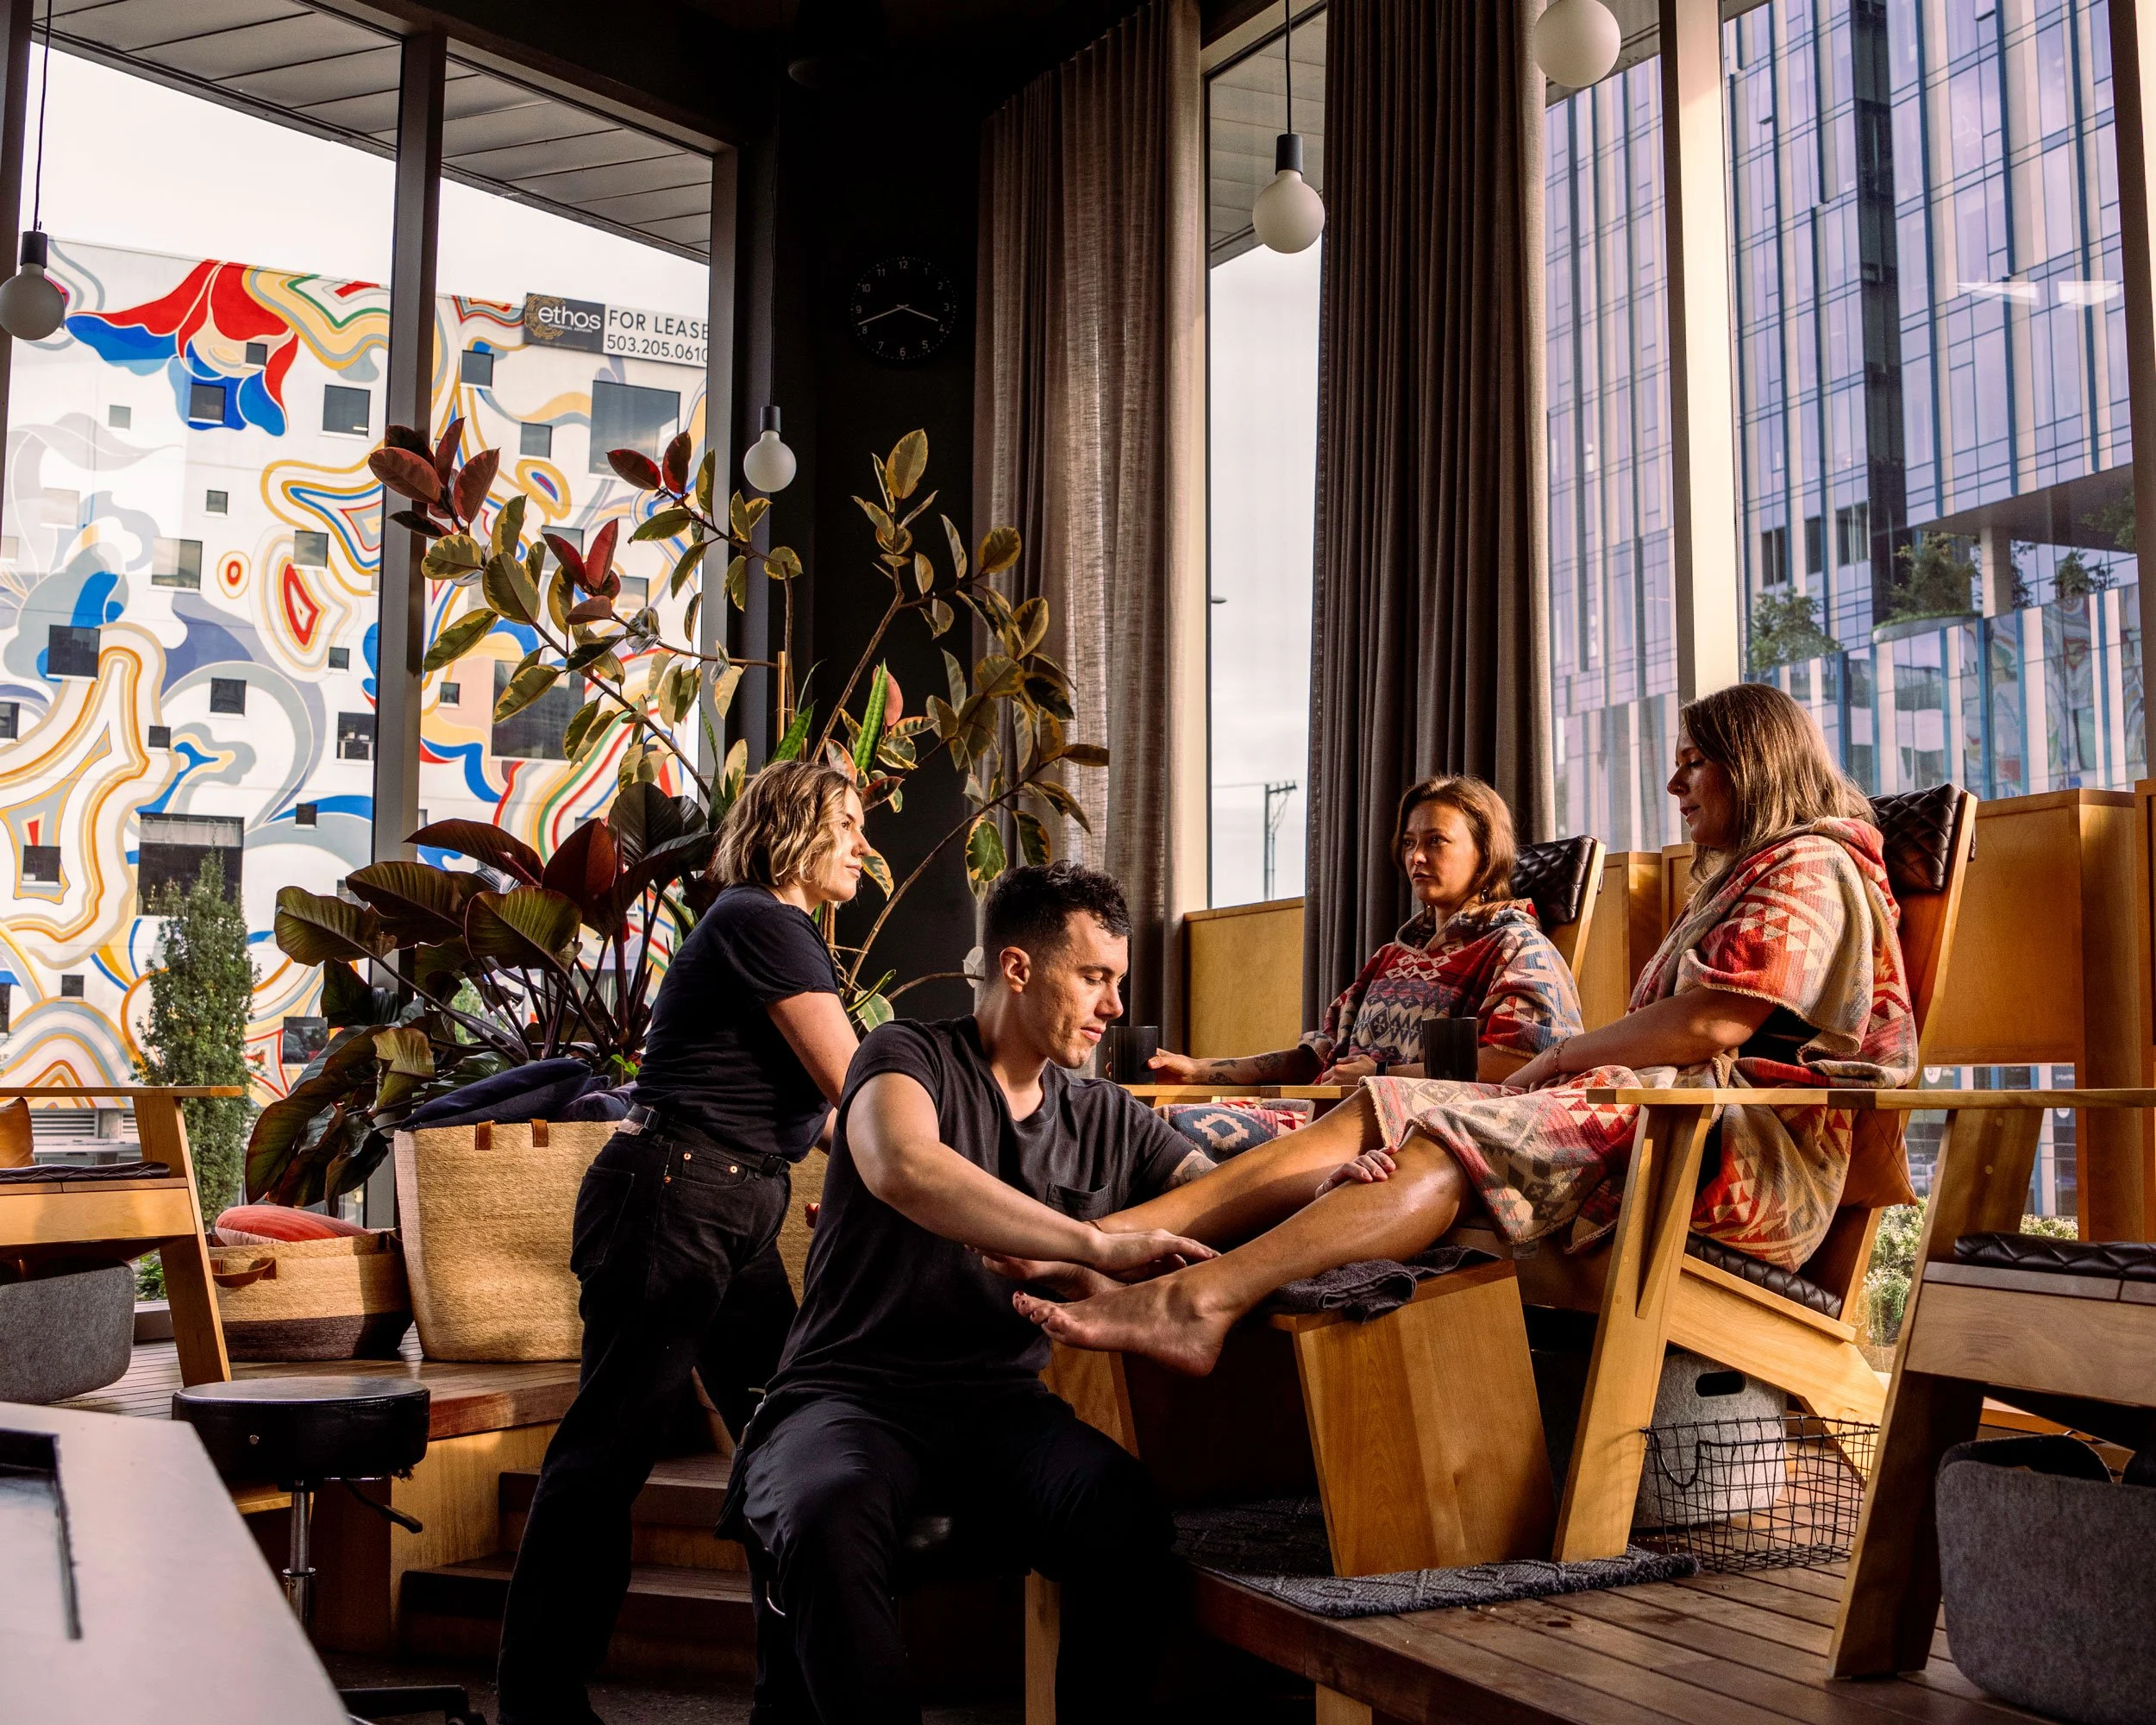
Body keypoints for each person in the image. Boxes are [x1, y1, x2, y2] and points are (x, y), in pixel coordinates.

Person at [1013, 684, 1918, 1377]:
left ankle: (1196, 1296)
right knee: (1386, 1103)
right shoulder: (1742, 875)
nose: (1675, 782)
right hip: (1675, 1129)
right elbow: (1319, 1050)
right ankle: (1106, 1243)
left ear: (1751, 761)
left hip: (1738, 1165)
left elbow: (1715, 1017)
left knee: (1438, 1134)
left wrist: (1563, 1055)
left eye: (1694, 763)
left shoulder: (1810, 863)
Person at [723, 862, 1219, 1725]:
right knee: (825, 1517)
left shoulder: (1103, 1112)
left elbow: (1213, 1186)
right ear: (1019, 967)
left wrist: (1319, 1184)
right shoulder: (905, 1054)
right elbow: (901, 1163)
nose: (1113, 1005)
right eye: (1095, 977)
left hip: (1000, 1408)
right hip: (846, 1396)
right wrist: (1092, 1242)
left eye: (1118, 982)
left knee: (1124, 1515)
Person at [495, 761, 871, 1725]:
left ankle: (786, 1697)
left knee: (780, 1437)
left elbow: (816, 1114)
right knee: (607, 1450)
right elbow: (856, 1089)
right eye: (849, 822)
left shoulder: (772, 929)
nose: (865, 844)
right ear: (796, 829)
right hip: (674, 1196)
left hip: (725, 1198)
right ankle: (537, 1705)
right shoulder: (761, 920)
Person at [1148, 775, 1579, 1091]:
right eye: (1409, 843)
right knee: (1149, 1123)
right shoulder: (1394, 955)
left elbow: (1525, 1057)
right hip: (1322, 1112)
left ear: (1486, 854)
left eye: (1436, 841)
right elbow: (1314, 1058)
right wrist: (1200, 1070)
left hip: (1400, 1136)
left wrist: (1382, 1077)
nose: (1417, 858)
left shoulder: (1517, 946)